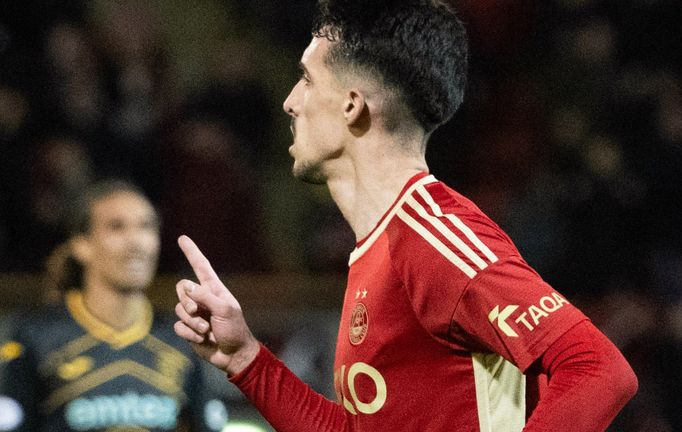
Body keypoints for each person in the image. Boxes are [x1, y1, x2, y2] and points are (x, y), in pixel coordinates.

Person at [173, 1, 638, 430]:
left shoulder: (432, 234)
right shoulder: (381, 246)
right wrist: (246, 359)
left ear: (353, 105)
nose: (290, 101)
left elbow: (598, 368)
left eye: (308, 79)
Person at [0, 180, 229, 432]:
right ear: (81, 245)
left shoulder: (182, 337)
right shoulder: (33, 336)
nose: (137, 242)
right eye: (116, 227)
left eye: (146, 227)